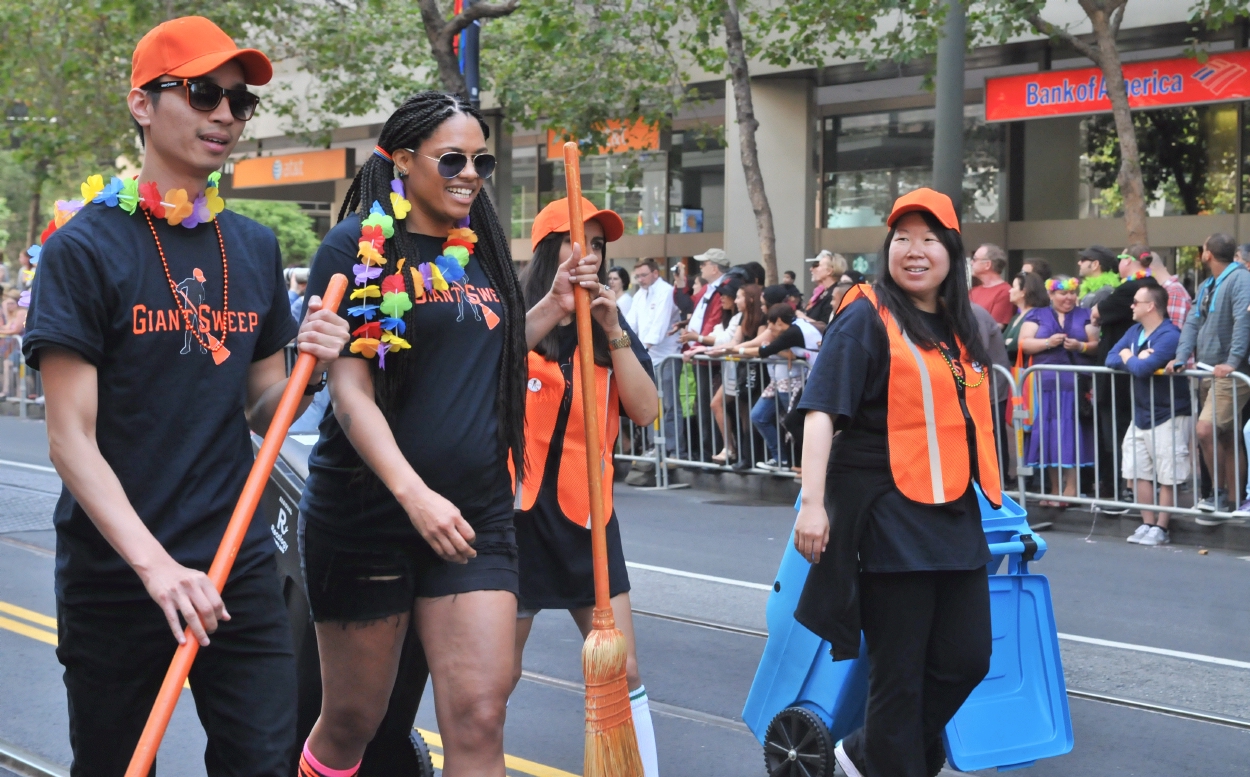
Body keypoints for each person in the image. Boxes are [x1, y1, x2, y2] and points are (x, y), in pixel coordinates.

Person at [23, 17, 352, 776]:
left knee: (262, 762)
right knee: (112, 764)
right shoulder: (85, 248)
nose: (225, 117)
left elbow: (265, 407)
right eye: (205, 93)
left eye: (241, 103)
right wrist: (154, 566)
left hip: (234, 565)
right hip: (119, 573)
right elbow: (71, 437)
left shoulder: (255, 247)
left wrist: (315, 365)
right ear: (143, 103)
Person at [295, 92, 601, 777]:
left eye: (482, 160)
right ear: (403, 161)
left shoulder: (484, 250)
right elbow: (348, 392)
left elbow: (487, 352)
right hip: (369, 510)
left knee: (480, 713)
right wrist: (415, 496)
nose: (471, 173)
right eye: (453, 158)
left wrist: (551, 305)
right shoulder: (358, 246)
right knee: (354, 720)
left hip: (476, 516)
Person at [792, 188, 998, 777]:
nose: (914, 250)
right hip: (888, 515)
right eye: (902, 238)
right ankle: (886, 757)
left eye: (929, 239)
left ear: (951, 252)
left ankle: (865, 754)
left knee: (966, 659)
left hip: (954, 514)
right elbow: (821, 410)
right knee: (899, 680)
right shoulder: (865, 313)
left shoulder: (957, 325)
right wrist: (812, 503)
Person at [512, 198, 661, 777]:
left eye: (600, 245)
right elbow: (486, 375)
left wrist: (612, 330)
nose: (593, 255)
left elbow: (646, 412)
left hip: (588, 524)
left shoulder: (609, 328)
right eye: (582, 240)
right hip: (515, 521)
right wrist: (553, 312)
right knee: (496, 676)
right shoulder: (516, 317)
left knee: (623, 671)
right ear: (551, 249)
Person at [1105, 283, 1191, 547]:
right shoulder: (1134, 331)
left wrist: (1130, 358)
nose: (1131, 306)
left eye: (1136, 302)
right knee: (1138, 469)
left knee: (1168, 473)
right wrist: (1133, 357)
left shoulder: (1170, 335)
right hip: (1141, 413)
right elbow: (1110, 358)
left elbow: (1143, 369)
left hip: (1169, 412)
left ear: (1151, 306)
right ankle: (1147, 522)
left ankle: (1161, 527)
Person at [1172, 233, 1250, 520]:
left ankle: (1217, 494)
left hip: (1230, 374)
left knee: (1205, 430)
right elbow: (1192, 323)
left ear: (1207, 254)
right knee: (1226, 436)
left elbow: (1245, 319)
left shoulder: (1241, 280)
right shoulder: (1207, 285)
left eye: (1203, 248)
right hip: (1208, 370)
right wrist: (1181, 358)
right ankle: (1232, 500)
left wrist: (1232, 362)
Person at [1018, 276, 1099, 505]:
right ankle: (1054, 490)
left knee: (1070, 434)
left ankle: (1071, 489)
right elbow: (1023, 343)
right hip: (1044, 386)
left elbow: (1097, 345)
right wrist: (1048, 343)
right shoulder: (1037, 315)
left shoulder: (1085, 315)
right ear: (1051, 295)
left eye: (1072, 293)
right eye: (1063, 293)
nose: (1069, 298)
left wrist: (1080, 346)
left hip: (1075, 386)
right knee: (1049, 435)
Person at [1091, 249, 1161, 503]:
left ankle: (1122, 487)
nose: (1133, 307)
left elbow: (1097, 312)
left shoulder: (1132, 287)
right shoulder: (1149, 285)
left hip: (1119, 381)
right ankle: (1129, 487)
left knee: (1118, 432)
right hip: (1128, 372)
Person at [735, 304, 820, 469]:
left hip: (801, 380)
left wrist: (736, 350)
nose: (769, 328)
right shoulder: (795, 329)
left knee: (793, 422)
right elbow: (780, 351)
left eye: (770, 324)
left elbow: (767, 351)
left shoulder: (793, 331)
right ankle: (785, 460)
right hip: (793, 380)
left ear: (779, 321)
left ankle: (807, 464)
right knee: (761, 416)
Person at [625, 258, 681, 457]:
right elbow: (630, 324)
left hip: (666, 355)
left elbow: (659, 326)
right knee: (649, 403)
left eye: (643, 275)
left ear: (655, 273)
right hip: (647, 356)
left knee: (669, 404)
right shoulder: (640, 294)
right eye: (637, 276)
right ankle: (654, 447)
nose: (640, 279)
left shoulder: (666, 292)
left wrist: (640, 350)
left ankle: (673, 449)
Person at [1139, 250, 1191, 329]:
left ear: (1148, 270)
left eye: (1139, 273)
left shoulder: (1173, 293)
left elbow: (1174, 335)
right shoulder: (1170, 291)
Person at [1003, 272, 1048, 361]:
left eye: (1013, 287)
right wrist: (1006, 342)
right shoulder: (1015, 317)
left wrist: (1007, 343)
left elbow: (1015, 345)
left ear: (1023, 292)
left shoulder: (1036, 315)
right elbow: (1002, 343)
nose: (1010, 290)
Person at [798, 250, 846, 334]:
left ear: (829, 271)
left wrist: (802, 317)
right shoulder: (824, 293)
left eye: (819, 266)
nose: (813, 269)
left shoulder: (835, 294)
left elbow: (827, 324)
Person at [968, 243, 1013, 326]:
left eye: (974, 259)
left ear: (987, 265)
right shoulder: (973, 291)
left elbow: (994, 328)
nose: (971, 262)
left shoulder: (1005, 292)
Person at [1076, 244, 1120, 309]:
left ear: (1095, 264)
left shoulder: (1105, 292)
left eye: (1083, 259)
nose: (1079, 263)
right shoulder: (1092, 290)